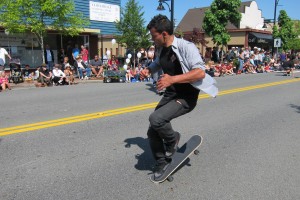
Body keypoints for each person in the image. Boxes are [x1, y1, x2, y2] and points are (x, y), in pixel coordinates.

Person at [140, 14, 217, 180]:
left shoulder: (186, 47)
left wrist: (172, 79)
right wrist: (149, 69)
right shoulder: (161, 48)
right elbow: (160, 63)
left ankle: (172, 138)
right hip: (171, 94)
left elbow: (200, 72)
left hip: (186, 97)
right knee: (152, 130)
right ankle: (162, 160)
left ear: (164, 34)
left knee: (156, 119)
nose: (153, 39)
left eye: (154, 36)